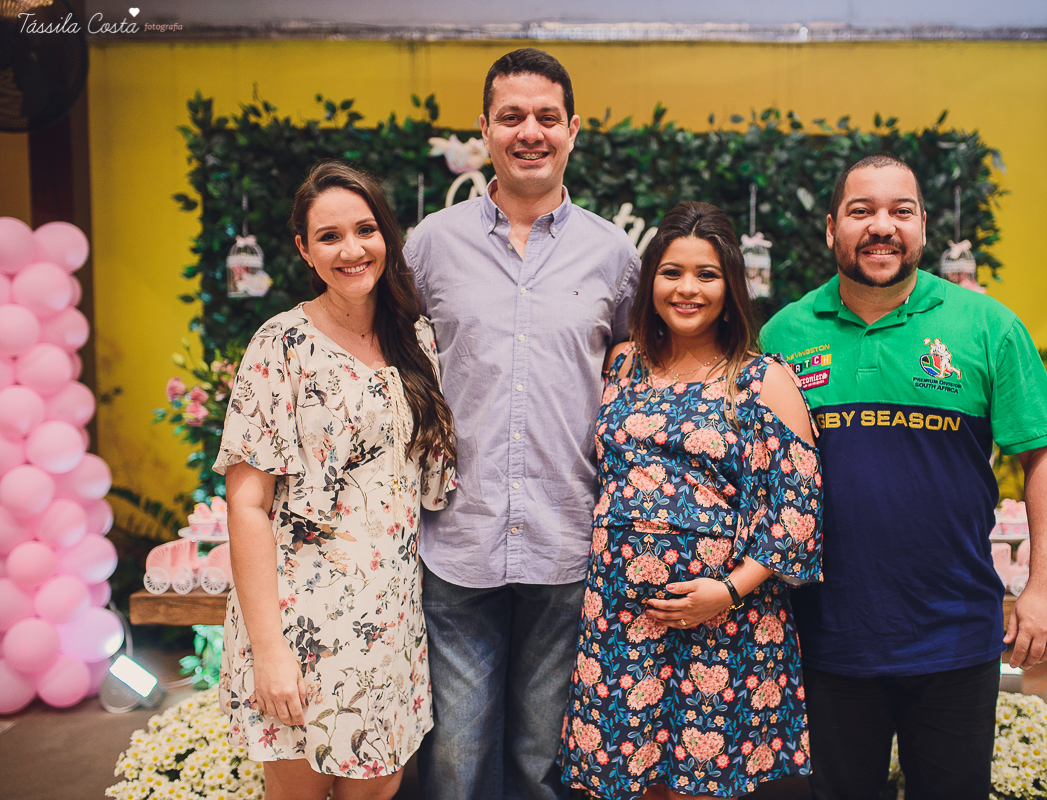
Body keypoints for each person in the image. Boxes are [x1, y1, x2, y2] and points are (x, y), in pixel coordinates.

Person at [759, 154, 1047, 800]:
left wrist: (1045, 587)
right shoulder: (783, 335)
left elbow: (1045, 453)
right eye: (861, 211)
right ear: (830, 230)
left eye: (900, 211)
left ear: (923, 228)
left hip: (953, 632)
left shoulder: (986, 327)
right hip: (824, 636)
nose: (882, 226)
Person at [402, 48, 641, 800]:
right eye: (511, 117)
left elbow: (636, 378)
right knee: (456, 760)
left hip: (566, 539)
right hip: (456, 541)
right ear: (485, 131)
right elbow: (391, 369)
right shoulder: (429, 246)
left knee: (544, 762)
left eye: (546, 117)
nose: (529, 131)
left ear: (574, 129)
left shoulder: (614, 254)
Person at [559, 201, 823, 800]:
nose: (687, 289)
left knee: (700, 786)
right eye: (672, 271)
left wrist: (724, 592)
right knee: (631, 782)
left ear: (731, 286)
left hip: (723, 624)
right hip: (622, 621)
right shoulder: (621, 365)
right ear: (650, 278)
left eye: (706, 275)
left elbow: (796, 514)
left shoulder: (763, 380)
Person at [215, 161, 456, 800]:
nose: (351, 250)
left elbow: (428, 484)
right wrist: (269, 653)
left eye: (365, 230)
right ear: (304, 249)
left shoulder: (417, 342)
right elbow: (246, 505)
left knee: (378, 789)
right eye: (329, 237)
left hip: (392, 623)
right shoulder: (280, 346)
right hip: (300, 623)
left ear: (387, 237)